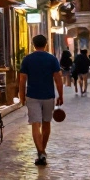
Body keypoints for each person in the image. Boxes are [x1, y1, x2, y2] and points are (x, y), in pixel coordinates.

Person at [17, 35, 64, 167]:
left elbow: (22, 80)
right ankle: (42, 151)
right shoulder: (52, 59)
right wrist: (60, 95)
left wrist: (22, 96)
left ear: (33, 44)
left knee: (35, 124)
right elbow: (58, 79)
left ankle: (41, 152)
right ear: (46, 44)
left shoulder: (27, 59)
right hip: (48, 95)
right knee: (46, 123)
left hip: (32, 95)